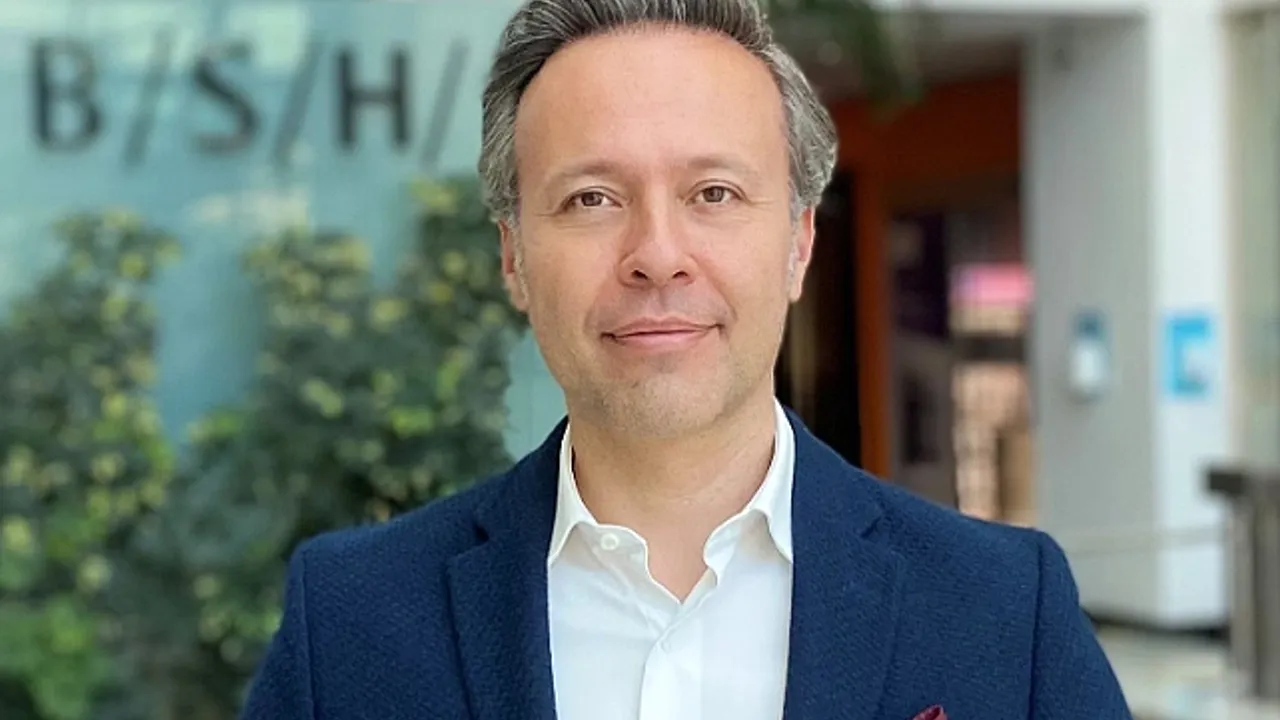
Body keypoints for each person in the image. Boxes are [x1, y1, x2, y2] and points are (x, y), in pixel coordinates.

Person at [241, 0, 1133, 718]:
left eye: (714, 192)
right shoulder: (351, 622)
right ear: (513, 258)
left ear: (798, 244)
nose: (658, 255)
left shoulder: (1004, 611)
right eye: (592, 198)